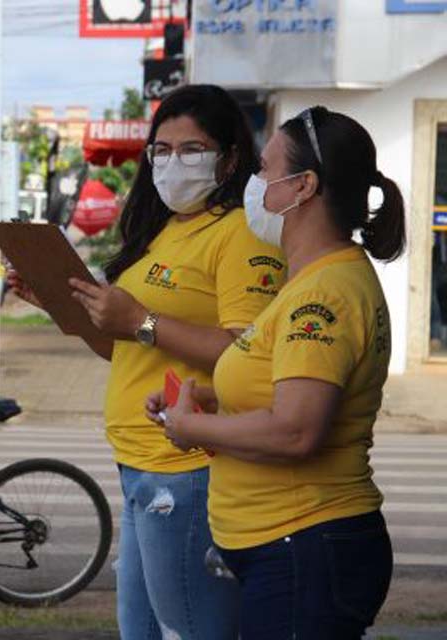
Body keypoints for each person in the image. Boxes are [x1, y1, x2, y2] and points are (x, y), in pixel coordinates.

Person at [8, 84, 286, 640]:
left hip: (188, 463)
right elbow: (123, 344)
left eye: (191, 150)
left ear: (230, 157)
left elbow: (248, 353)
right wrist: (71, 309)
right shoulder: (158, 231)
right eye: (162, 150)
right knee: (140, 630)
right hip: (137, 460)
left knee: (189, 630)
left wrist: (142, 321)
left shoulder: (241, 235)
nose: (172, 163)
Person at [156, 106, 405, 639]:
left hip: (305, 546)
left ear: (303, 186)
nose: (254, 184)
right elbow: (280, 391)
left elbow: (296, 430)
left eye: (265, 170)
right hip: (291, 547)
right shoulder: (312, 280)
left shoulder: (323, 293)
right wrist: (205, 400)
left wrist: (192, 428)